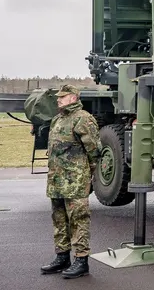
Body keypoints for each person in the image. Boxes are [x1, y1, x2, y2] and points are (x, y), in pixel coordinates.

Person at [40, 85, 101, 279]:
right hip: (57, 180)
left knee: (78, 220)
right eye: (58, 97)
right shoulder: (57, 120)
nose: (58, 99)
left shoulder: (83, 118)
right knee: (59, 219)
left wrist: (86, 175)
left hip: (75, 180)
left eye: (62, 97)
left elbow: (94, 151)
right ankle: (62, 257)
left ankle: (81, 261)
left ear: (73, 98)